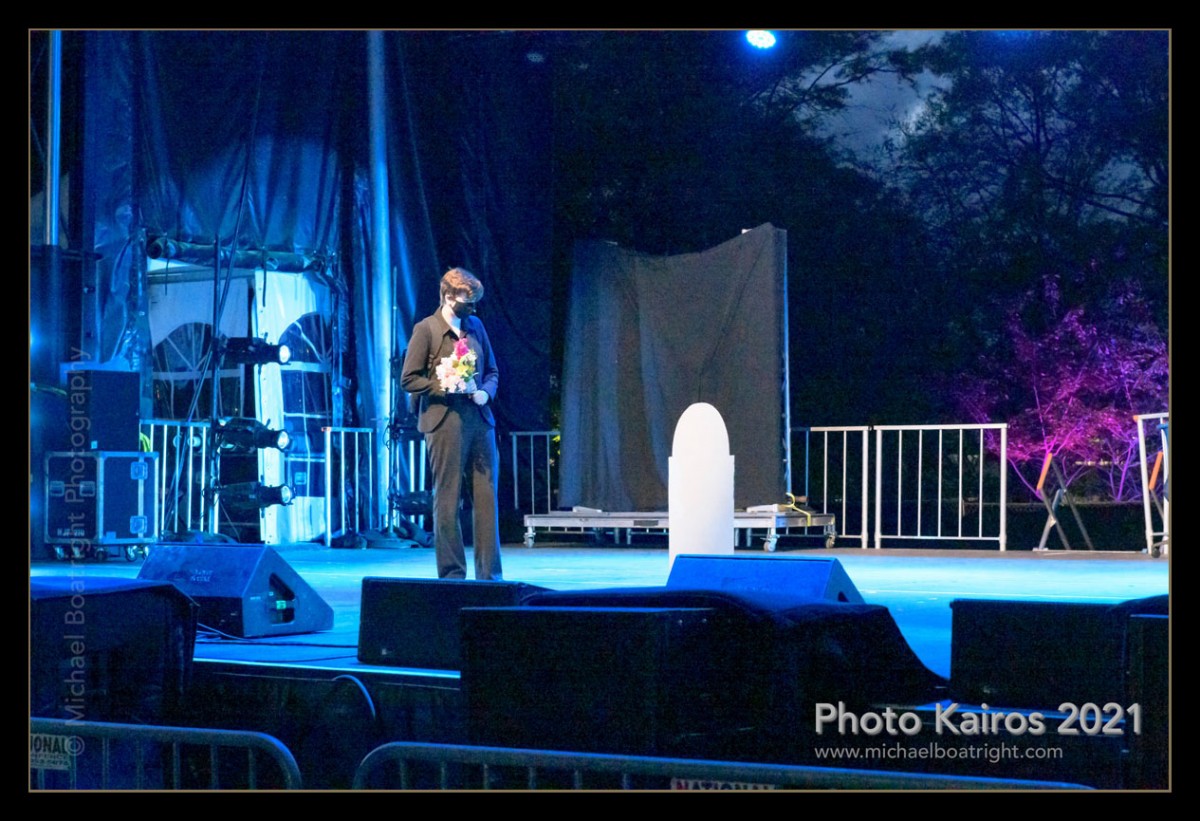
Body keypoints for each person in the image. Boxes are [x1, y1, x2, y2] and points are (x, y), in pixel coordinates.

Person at [401, 268, 503, 580]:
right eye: (467, 301)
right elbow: (408, 379)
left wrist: (485, 392)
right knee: (448, 498)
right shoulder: (427, 329)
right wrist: (441, 385)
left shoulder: (476, 327)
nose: (472, 308)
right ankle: (452, 575)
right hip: (445, 420)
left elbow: (492, 372)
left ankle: (490, 576)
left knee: (486, 497)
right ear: (448, 297)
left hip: (479, 420)